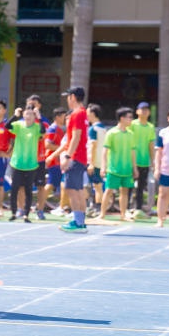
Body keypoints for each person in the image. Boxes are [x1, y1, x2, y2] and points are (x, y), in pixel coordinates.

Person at [97, 107, 138, 221]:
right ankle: (102, 214)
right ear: (122, 118)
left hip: (126, 169)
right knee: (109, 190)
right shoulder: (111, 133)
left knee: (124, 192)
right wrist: (103, 167)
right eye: (129, 117)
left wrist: (134, 168)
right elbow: (105, 151)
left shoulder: (131, 134)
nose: (131, 120)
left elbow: (133, 152)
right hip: (113, 169)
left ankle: (123, 215)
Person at [7, 105, 44, 223]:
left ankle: (26, 215)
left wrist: (40, 117)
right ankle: (14, 212)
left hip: (31, 164)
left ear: (34, 116)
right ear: (23, 115)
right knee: (14, 189)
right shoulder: (18, 125)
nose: (28, 116)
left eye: (31, 114)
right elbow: (7, 126)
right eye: (26, 114)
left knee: (28, 190)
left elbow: (43, 131)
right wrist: (15, 116)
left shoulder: (37, 127)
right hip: (17, 163)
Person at [59, 86, 89, 233]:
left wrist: (67, 156)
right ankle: (80, 221)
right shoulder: (83, 113)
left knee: (71, 190)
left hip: (76, 157)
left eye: (68, 96)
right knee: (78, 189)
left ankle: (78, 222)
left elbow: (75, 137)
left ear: (72, 97)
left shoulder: (77, 114)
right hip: (81, 157)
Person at [22, 95, 51, 219]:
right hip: (24, 158)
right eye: (29, 105)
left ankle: (40, 209)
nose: (31, 107)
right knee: (22, 185)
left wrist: (37, 118)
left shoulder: (43, 121)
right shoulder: (21, 122)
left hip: (39, 158)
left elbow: (44, 136)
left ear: (39, 106)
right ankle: (22, 209)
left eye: (33, 105)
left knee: (40, 186)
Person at [128, 102, 155, 219]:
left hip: (144, 162)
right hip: (131, 160)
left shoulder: (150, 127)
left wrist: (153, 161)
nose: (144, 111)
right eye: (142, 109)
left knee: (141, 187)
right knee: (128, 186)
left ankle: (138, 209)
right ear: (137, 111)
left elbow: (151, 144)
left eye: (146, 109)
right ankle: (127, 209)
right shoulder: (132, 124)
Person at [86, 104, 107, 217]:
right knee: (98, 186)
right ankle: (96, 207)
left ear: (93, 114)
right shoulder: (103, 128)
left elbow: (93, 146)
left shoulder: (93, 129)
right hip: (101, 161)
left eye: (88, 113)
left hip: (94, 162)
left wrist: (91, 163)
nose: (87, 115)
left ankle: (98, 209)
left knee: (97, 186)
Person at [44, 107, 67, 211]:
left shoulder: (59, 129)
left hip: (58, 160)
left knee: (57, 183)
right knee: (51, 183)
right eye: (63, 116)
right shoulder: (52, 129)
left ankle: (62, 205)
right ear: (57, 117)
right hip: (54, 161)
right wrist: (62, 149)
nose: (65, 118)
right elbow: (47, 144)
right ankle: (40, 204)